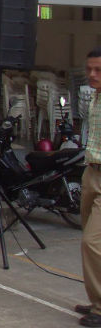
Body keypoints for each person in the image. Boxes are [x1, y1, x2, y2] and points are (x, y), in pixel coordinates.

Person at [75, 48, 101, 327]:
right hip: (91, 172)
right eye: (89, 69)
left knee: (92, 242)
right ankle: (95, 299)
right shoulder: (94, 97)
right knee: (91, 240)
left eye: (98, 70)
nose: (92, 75)